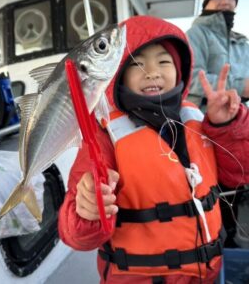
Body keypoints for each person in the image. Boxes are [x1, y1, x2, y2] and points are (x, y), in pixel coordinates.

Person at [58, 15, 249, 284]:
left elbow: (239, 174)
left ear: (179, 69)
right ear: (120, 74)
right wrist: (85, 212)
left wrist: (228, 125)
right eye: (137, 64)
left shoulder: (197, 118)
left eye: (163, 61)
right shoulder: (103, 136)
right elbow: (77, 236)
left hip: (210, 273)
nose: (152, 71)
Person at [186, 0, 249, 110]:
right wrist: (241, 87)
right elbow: (191, 78)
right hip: (202, 115)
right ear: (206, 3)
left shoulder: (243, 43)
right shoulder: (196, 34)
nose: (225, 1)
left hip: (240, 116)